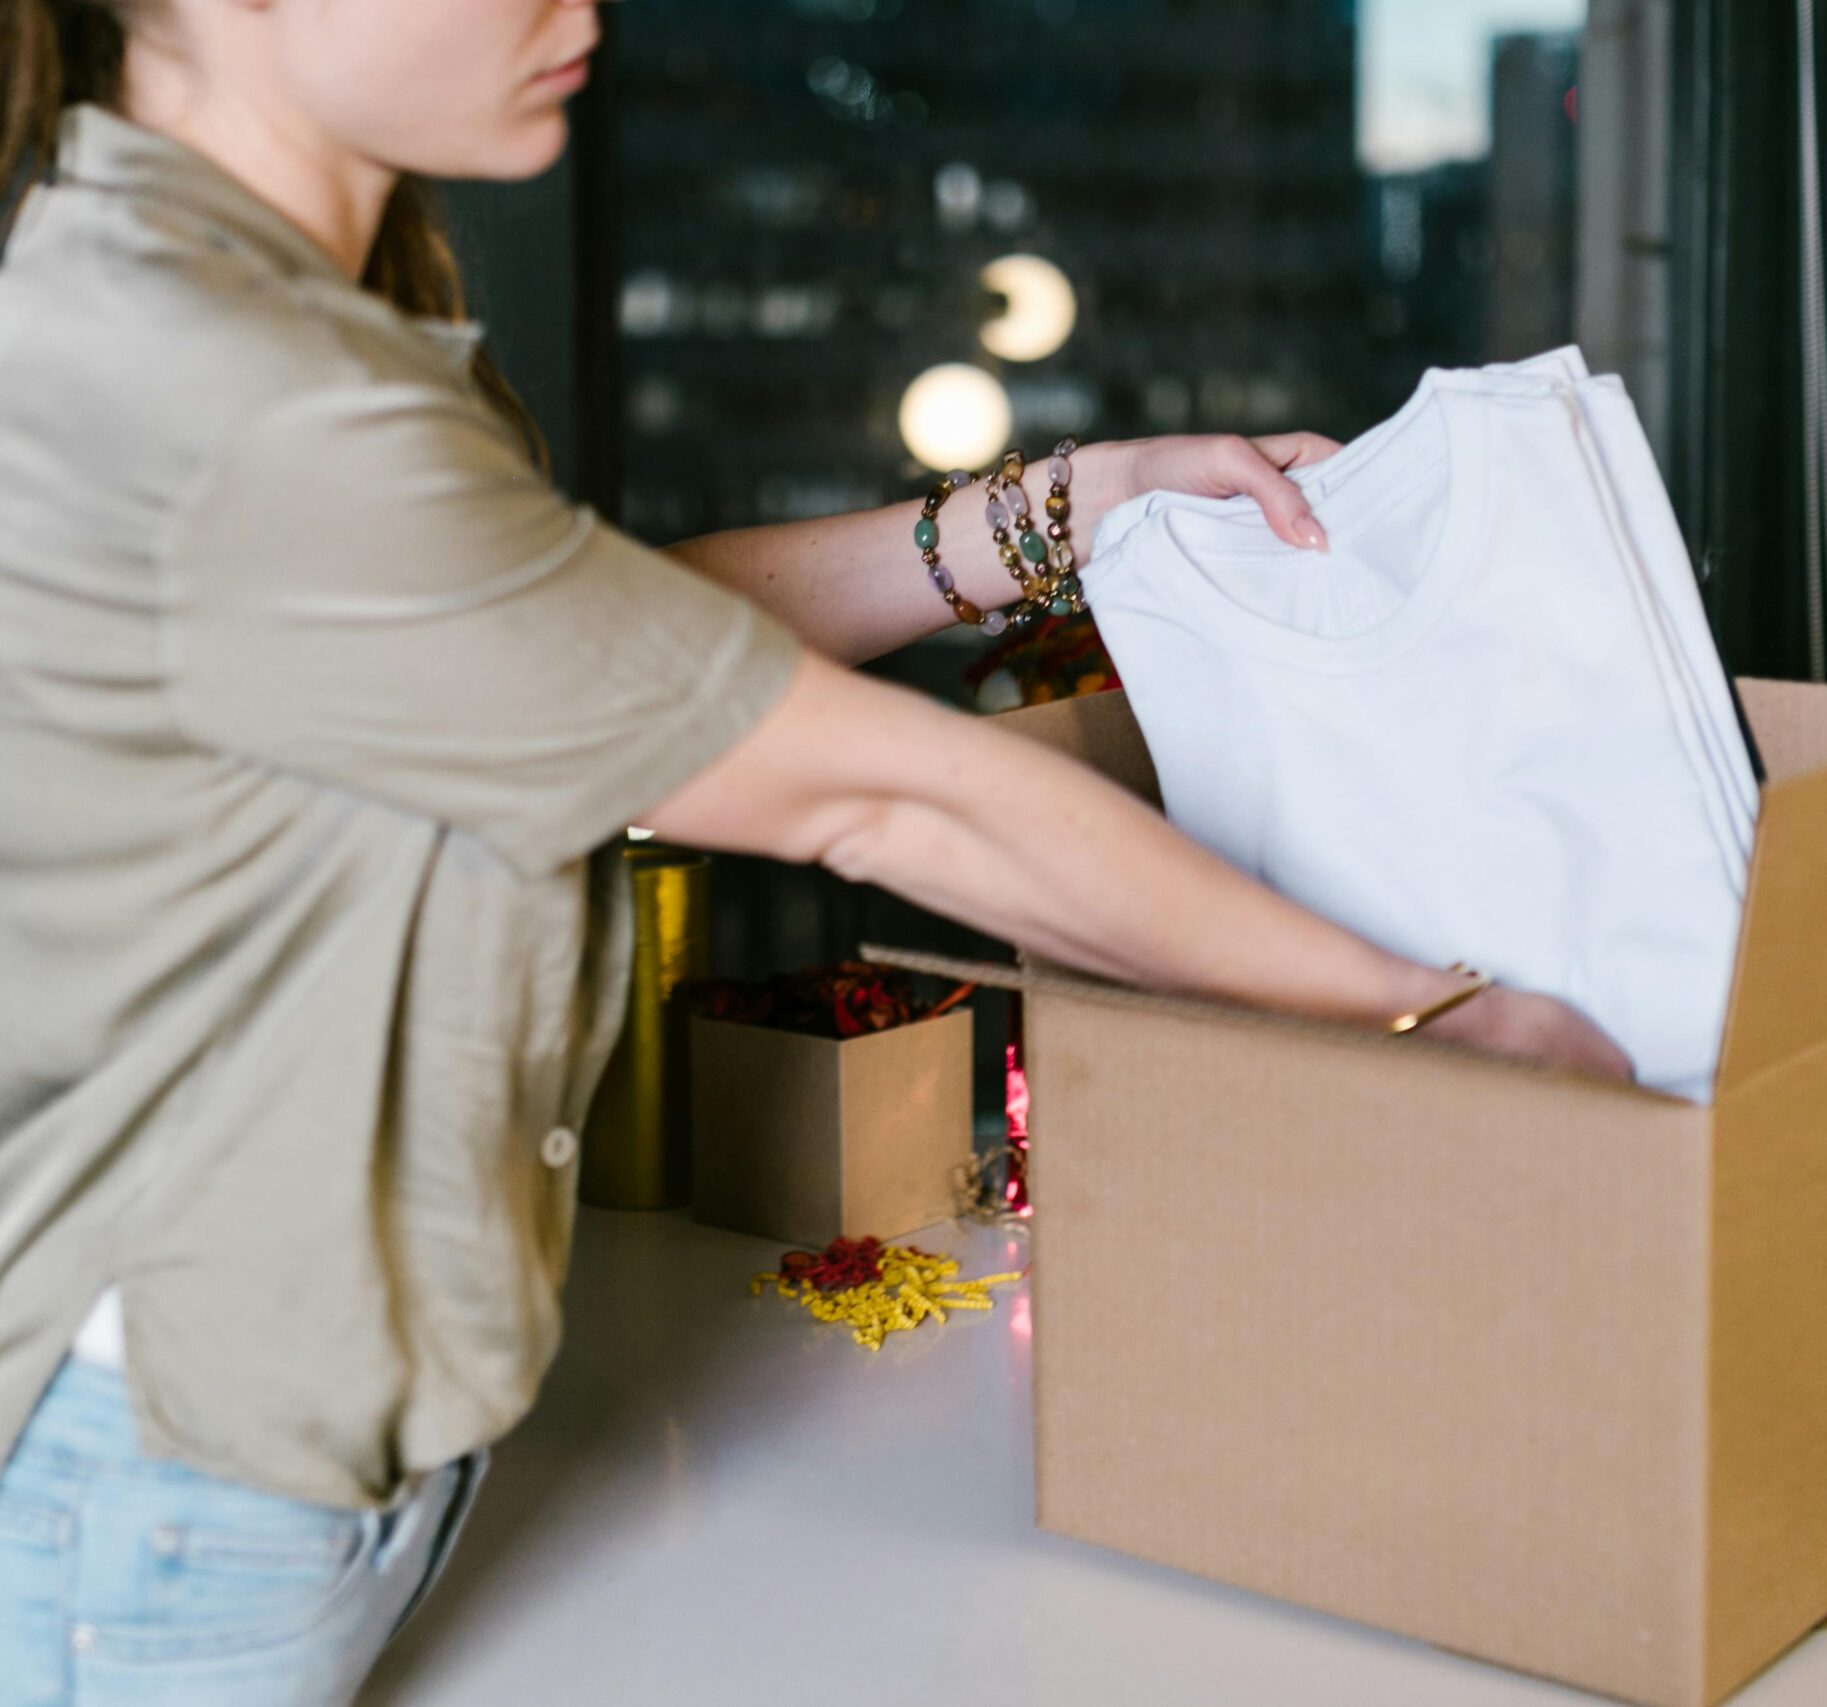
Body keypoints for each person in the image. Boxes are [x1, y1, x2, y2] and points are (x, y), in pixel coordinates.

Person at [0, 0, 1629, 1699]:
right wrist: (1426, 1009)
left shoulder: (247, 303)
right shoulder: (236, 393)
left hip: (221, 1447)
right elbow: (878, 795)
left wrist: (1067, 512)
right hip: (162, 1496)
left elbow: (585, 646)